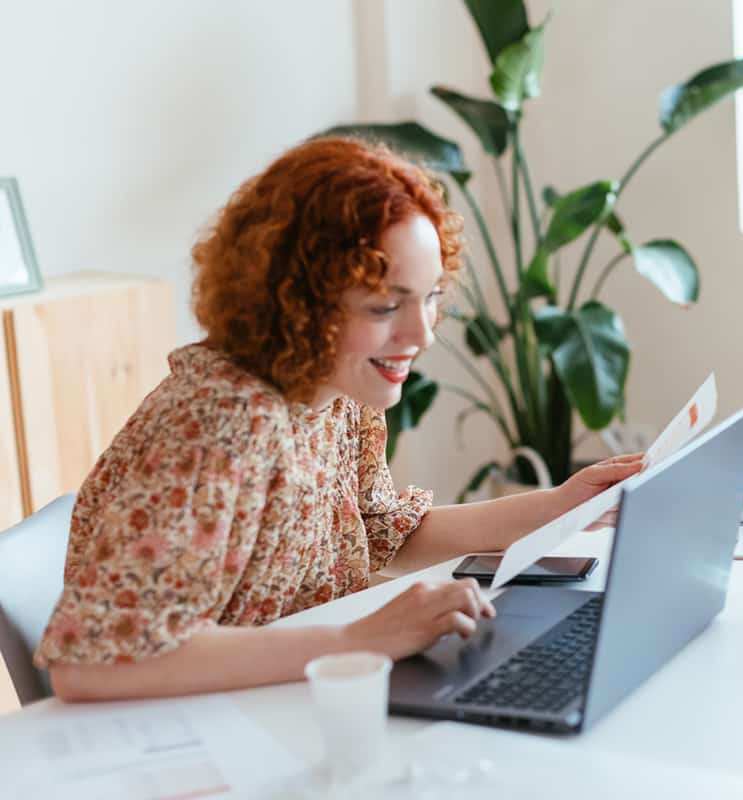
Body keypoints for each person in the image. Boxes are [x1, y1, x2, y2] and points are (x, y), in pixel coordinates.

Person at [35, 137, 641, 702]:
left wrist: (561, 506)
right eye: (385, 305)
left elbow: (382, 530)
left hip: (291, 699)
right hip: (199, 730)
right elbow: (92, 665)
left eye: (430, 297)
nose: (420, 334)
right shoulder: (222, 424)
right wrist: (362, 639)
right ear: (296, 302)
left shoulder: (335, 390)